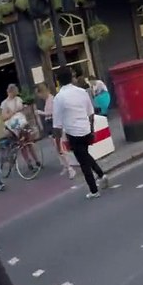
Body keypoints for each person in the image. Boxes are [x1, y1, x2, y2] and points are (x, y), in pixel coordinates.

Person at [52, 68, 109, 199]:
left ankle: (94, 191)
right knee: (85, 155)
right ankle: (101, 175)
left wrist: (57, 144)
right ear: (71, 77)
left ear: (58, 81)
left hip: (73, 133)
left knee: (83, 163)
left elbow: (57, 126)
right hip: (86, 129)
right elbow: (91, 113)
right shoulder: (82, 92)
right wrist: (92, 130)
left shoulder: (59, 98)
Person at [35, 82, 74, 180]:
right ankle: (65, 166)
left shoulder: (51, 99)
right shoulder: (48, 100)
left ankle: (70, 167)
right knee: (56, 148)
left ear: (42, 92)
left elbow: (52, 112)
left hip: (54, 125)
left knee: (60, 147)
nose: (39, 97)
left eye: (39, 94)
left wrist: (41, 112)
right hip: (50, 125)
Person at [0, 83, 41, 170]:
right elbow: (3, 117)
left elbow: (23, 109)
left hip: (22, 122)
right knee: (23, 145)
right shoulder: (5, 103)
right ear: (9, 92)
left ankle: (37, 160)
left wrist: (24, 109)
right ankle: (29, 163)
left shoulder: (18, 99)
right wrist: (11, 113)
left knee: (29, 142)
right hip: (15, 126)